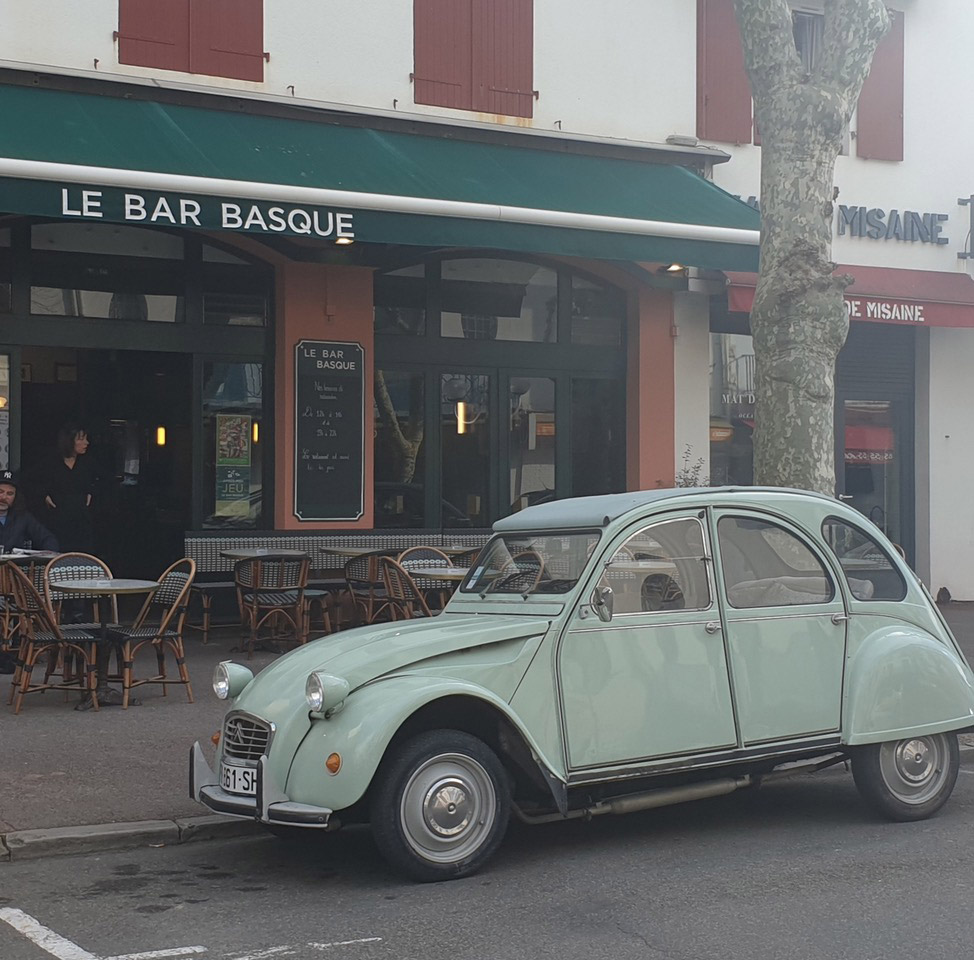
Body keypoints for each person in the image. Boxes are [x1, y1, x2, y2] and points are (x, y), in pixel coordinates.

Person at [42, 422, 95, 554]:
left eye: (86, 439)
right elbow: (34, 481)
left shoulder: (88, 463)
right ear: (69, 441)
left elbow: (101, 481)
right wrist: (44, 496)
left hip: (82, 519)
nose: (86, 443)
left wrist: (91, 492)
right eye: (81, 439)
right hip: (57, 518)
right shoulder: (50, 462)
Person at [0, 469, 58, 553]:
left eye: (10, 494)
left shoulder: (23, 517)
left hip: (15, 561)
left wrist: (49, 554)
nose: (4, 497)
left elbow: (48, 539)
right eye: (0, 491)